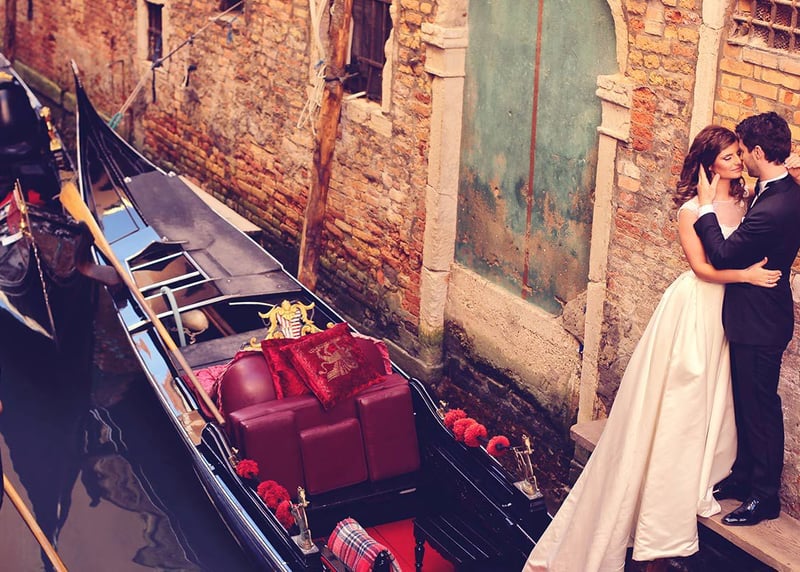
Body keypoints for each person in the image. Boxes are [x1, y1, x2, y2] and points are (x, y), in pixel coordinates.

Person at [523, 125, 780, 572]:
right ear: (709, 163)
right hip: (698, 305)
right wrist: (746, 276)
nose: (738, 162)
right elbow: (702, 268)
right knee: (685, 390)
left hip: (732, 313)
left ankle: (710, 471)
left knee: (721, 393)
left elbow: (772, 188)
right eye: (728, 157)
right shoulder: (690, 210)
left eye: (739, 154)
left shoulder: (748, 200)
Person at [694, 111, 800, 527]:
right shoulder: (779, 189)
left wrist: (706, 208)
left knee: (760, 408)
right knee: (745, 402)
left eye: (742, 151)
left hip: (761, 321)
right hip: (754, 316)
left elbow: (722, 254)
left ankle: (765, 497)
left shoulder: (773, 207)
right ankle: (742, 476)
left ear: (757, 151)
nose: (740, 158)